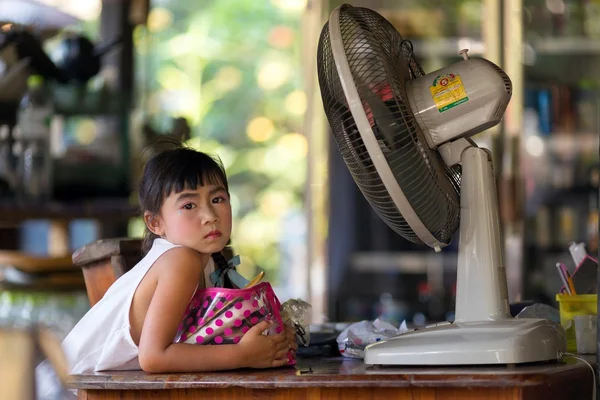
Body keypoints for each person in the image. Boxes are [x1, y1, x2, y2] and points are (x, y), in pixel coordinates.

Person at [38, 145, 298, 396]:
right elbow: (153, 357)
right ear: (155, 222)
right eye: (189, 205)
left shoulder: (205, 259)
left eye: (217, 199)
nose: (209, 215)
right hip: (60, 391)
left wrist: (271, 342)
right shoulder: (179, 260)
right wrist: (244, 355)